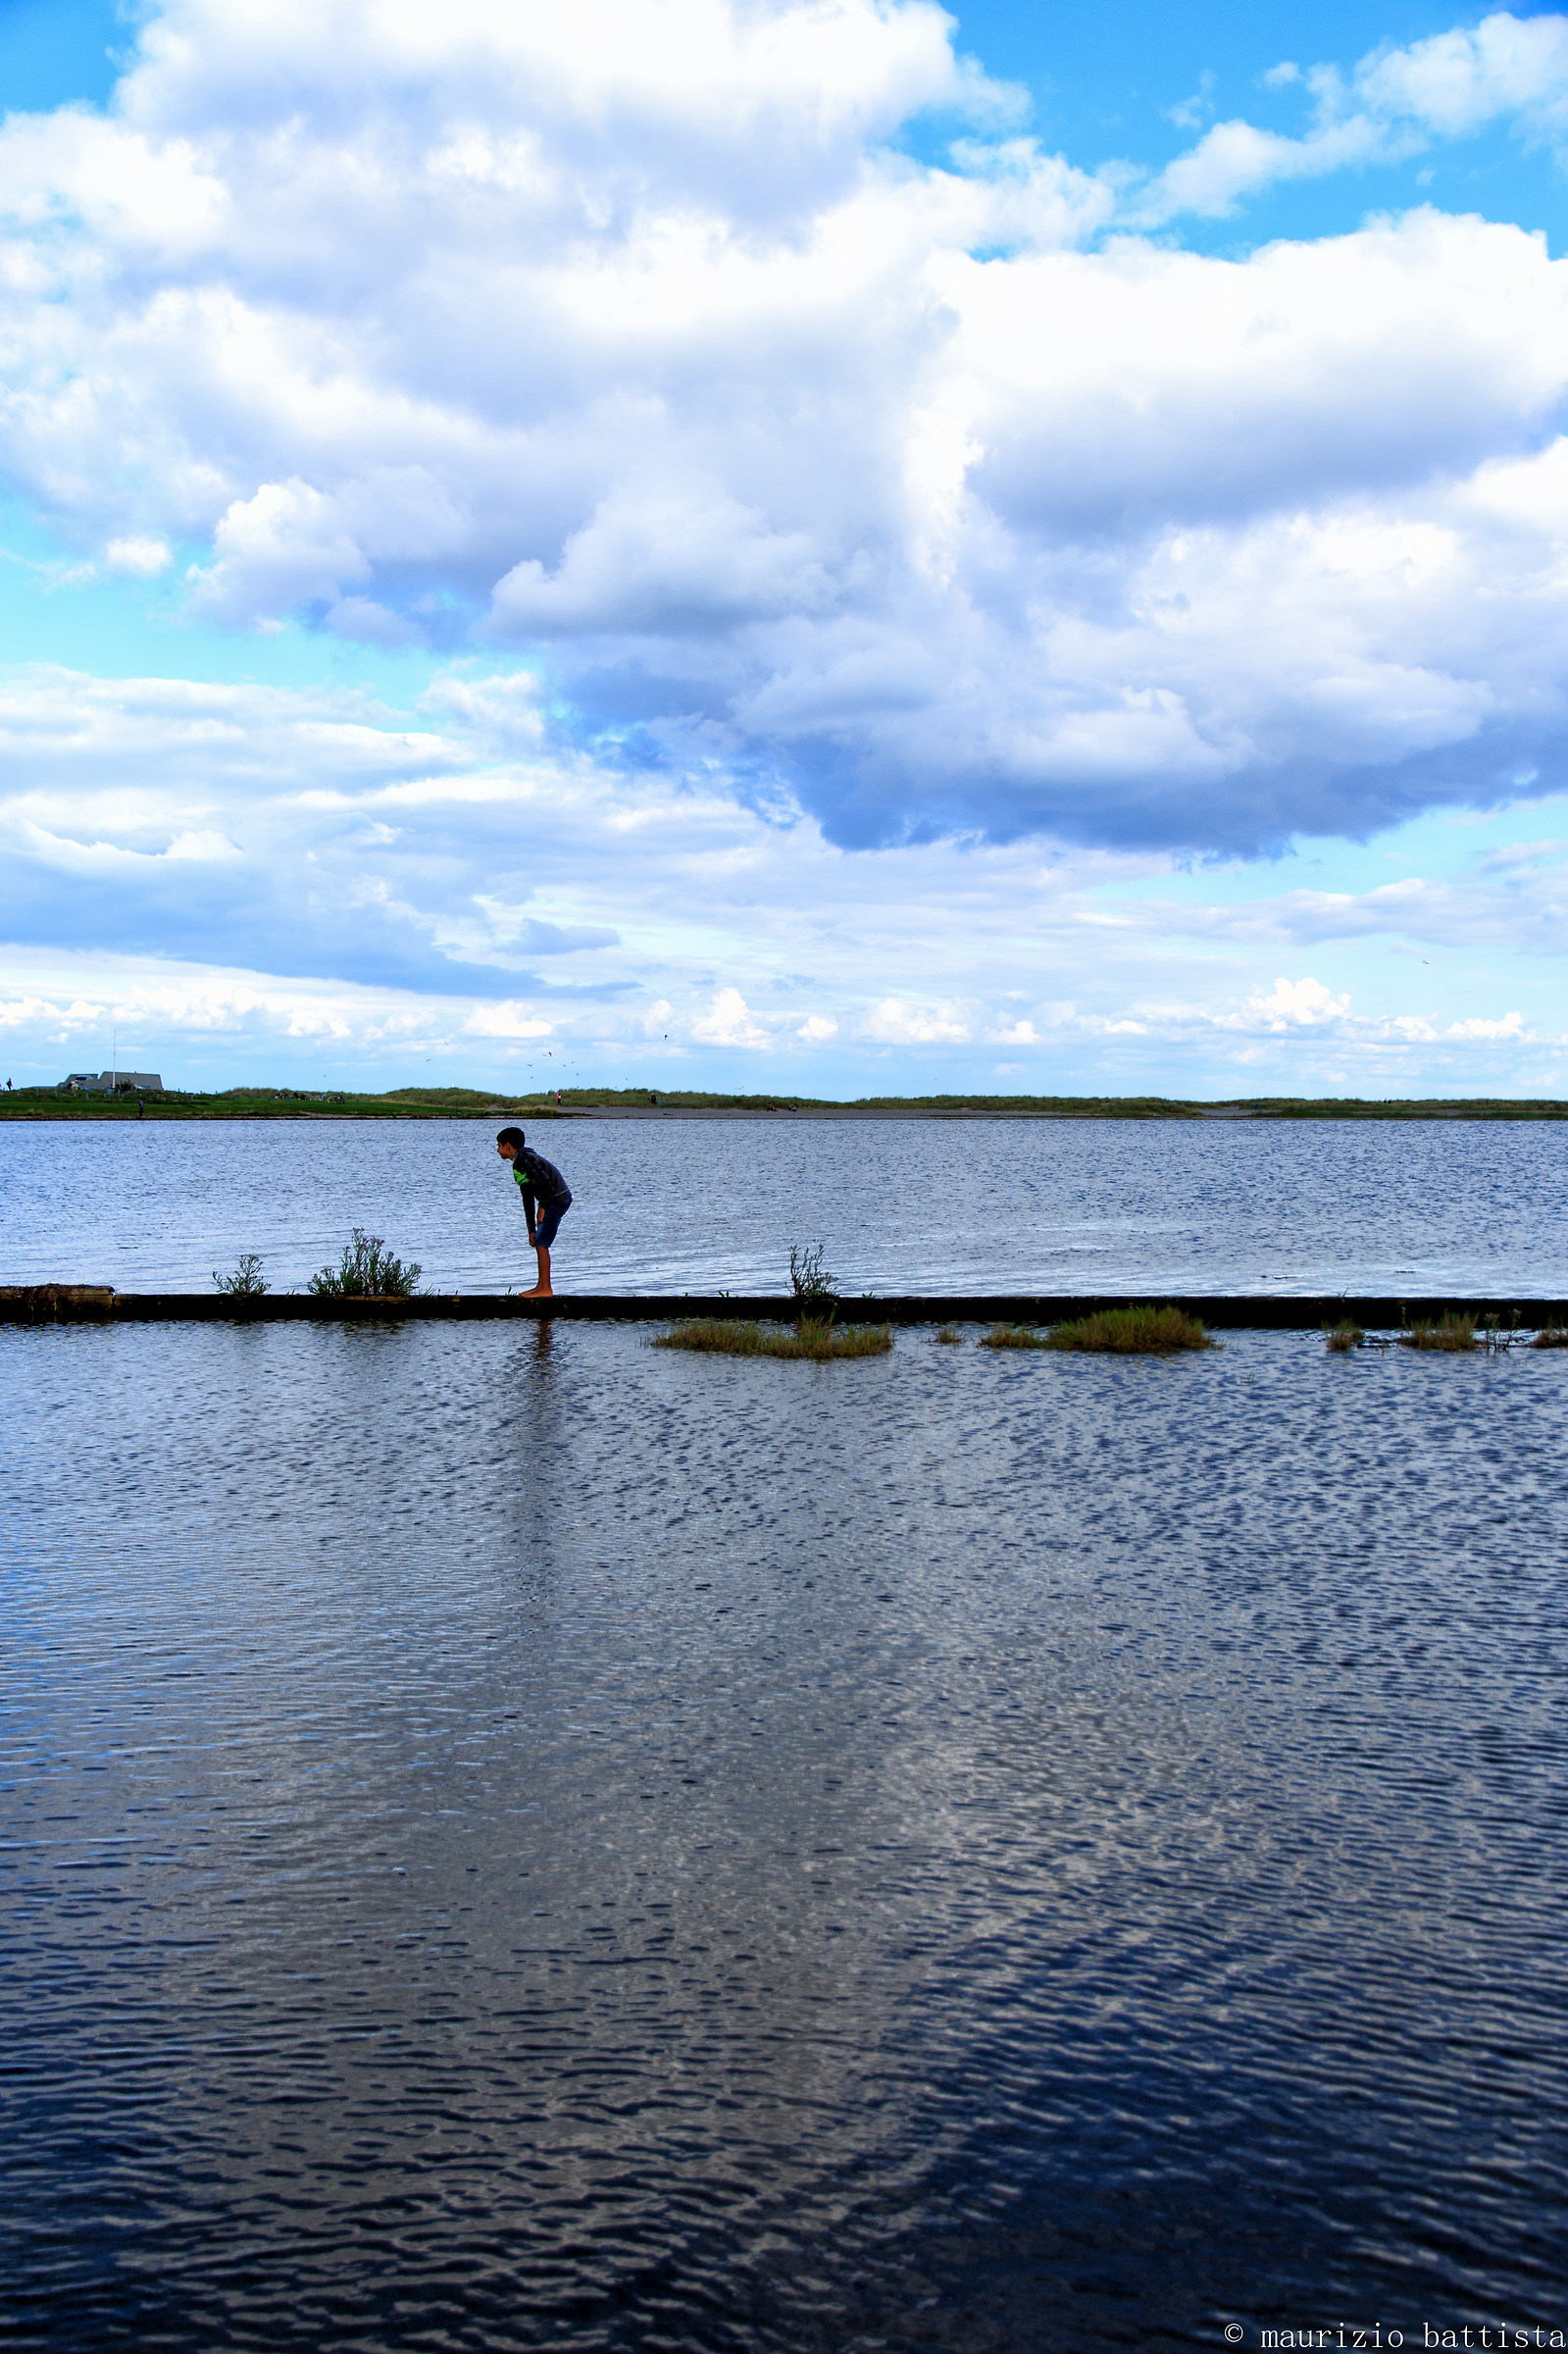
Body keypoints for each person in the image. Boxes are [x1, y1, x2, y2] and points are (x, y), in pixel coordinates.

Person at [496, 1125, 572, 1298]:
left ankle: (545, 1289)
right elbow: (527, 1197)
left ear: (508, 1145)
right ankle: (540, 1286)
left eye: (499, 1145)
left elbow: (545, 1181)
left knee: (542, 1243)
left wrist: (543, 1207)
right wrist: (531, 1230)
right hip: (552, 1199)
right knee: (538, 1240)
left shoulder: (524, 1159)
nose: (497, 1150)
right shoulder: (518, 1163)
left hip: (557, 1199)